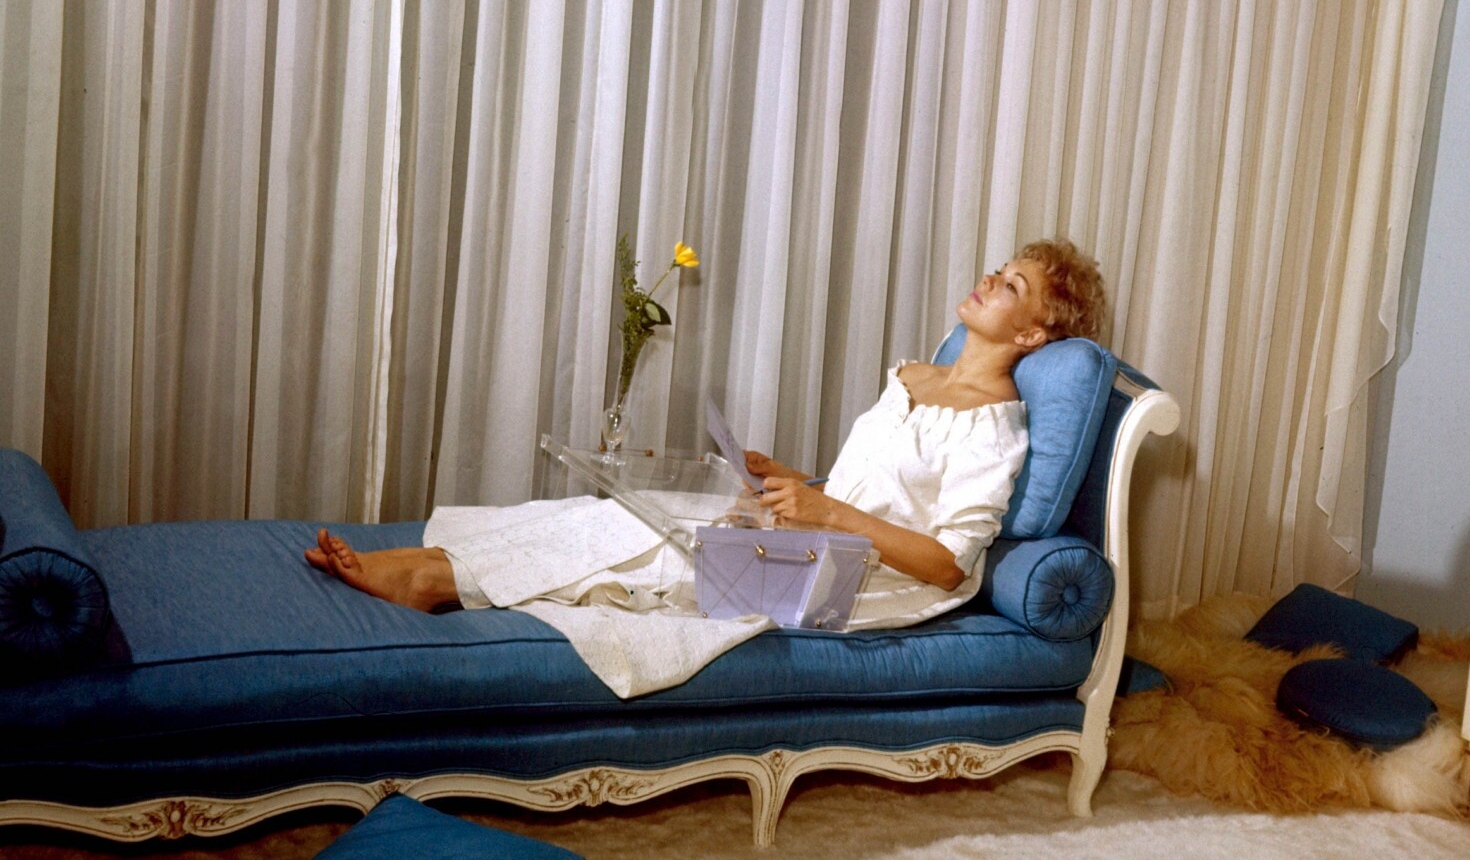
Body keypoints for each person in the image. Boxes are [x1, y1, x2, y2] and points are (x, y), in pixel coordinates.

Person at [305, 239, 1106, 631]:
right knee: (619, 511)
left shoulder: (996, 428)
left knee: (652, 549)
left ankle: (431, 582)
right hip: (824, 540)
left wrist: (826, 513)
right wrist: (787, 478)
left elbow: (946, 563)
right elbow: (872, 491)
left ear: (1033, 334)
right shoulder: (914, 377)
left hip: (859, 586)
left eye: (1012, 285)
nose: (989, 278)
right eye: (1000, 267)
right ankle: (427, 561)